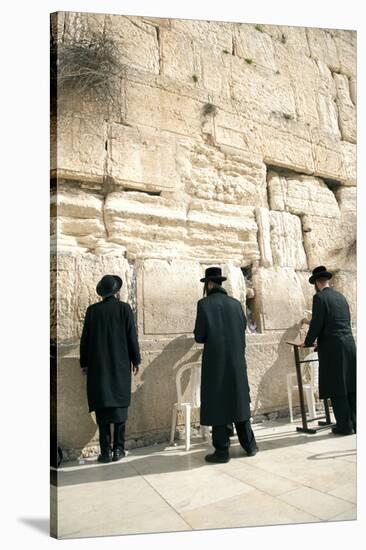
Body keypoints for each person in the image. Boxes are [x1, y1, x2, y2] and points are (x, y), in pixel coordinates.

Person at [194, 266, 258, 463]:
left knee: (218, 402)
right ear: (220, 283)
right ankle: (249, 445)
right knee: (238, 399)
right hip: (237, 361)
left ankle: (221, 451)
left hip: (216, 363)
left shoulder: (204, 304)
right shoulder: (235, 304)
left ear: (209, 284)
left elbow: (199, 336)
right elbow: (242, 328)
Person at [80, 274, 141, 463]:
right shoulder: (124, 309)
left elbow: (85, 340)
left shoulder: (92, 311)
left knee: (103, 407)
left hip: (99, 367)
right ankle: (119, 450)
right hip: (120, 365)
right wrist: (136, 360)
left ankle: (105, 452)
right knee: (120, 407)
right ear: (116, 291)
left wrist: (84, 363)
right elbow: (132, 336)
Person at [301, 266, 356, 435]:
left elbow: (317, 323)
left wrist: (308, 342)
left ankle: (344, 426)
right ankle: (356, 423)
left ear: (317, 283)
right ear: (327, 281)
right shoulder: (341, 296)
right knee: (351, 385)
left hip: (333, 349)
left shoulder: (319, 298)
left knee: (337, 386)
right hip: (349, 344)